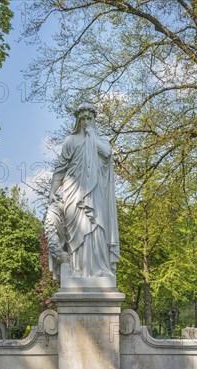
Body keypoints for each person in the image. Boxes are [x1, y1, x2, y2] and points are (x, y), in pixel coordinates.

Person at [45, 103, 119, 280]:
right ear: (78, 120)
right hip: (73, 190)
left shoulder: (100, 140)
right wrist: (52, 191)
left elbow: (108, 154)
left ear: (93, 120)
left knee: (96, 225)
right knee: (77, 229)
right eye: (83, 118)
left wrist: (92, 137)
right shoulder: (70, 141)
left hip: (95, 190)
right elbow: (60, 168)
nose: (86, 122)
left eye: (89, 118)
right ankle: (77, 269)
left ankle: (99, 269)